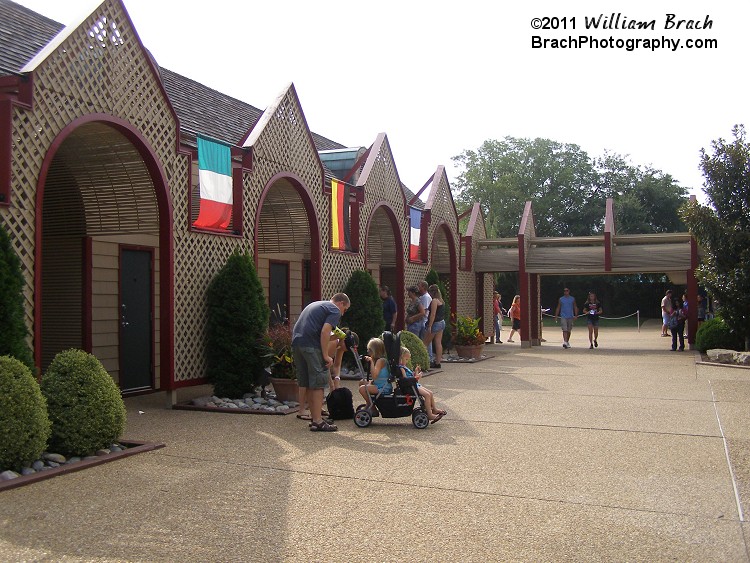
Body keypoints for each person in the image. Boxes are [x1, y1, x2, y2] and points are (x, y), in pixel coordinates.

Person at [291, 293, 350, 432]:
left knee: (308, 382)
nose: (343, 313)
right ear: (341, 303)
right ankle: (318, 421)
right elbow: (324, 332)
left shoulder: (316, 304)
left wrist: (336, 336)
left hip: (298, 344)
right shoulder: (334, 310)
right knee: (318, 383)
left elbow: (319, 333)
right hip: (311, 346)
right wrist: (325, 356)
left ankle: (315, 418)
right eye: (345, 309)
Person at [398, 346, 445, 423]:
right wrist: (416, 377)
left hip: (414, 385)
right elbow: (405, 380)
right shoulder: (401, 368)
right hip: (410, 386)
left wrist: (416, 373)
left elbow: (411, 377)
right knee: (426, 395)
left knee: (430, 393)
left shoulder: (404, 367)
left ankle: (434, 409)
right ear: (400, 358)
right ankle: (430, 414)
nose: (406, 361)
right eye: (406, 359)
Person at [358, 337, 392, 405]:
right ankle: (369, 403)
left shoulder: (381, 361)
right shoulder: (378, 360)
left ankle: (372, 406)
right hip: (379, 384)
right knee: (362, 382)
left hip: (383, 387)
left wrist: (371, 362)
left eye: (370, 350)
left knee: (362, 389)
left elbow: (374, 376)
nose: (368, 352)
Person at [423, 284, 446, 368]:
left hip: (435, 323)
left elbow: (432, 314)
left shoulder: (434, 301)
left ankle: (424, 362)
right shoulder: (441, 301)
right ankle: (437, 362)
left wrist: (429, 326)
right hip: (441, 322)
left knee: (425, 343)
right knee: (438, 342)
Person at [417, 280, 433, 361]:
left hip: (424, 322)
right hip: (422, 322)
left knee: (426, 341)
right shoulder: (422, 297)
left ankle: (429, 358)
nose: (418, 288)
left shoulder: (426, 297)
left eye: (419, 286)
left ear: (423, 287)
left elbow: (425, 311)